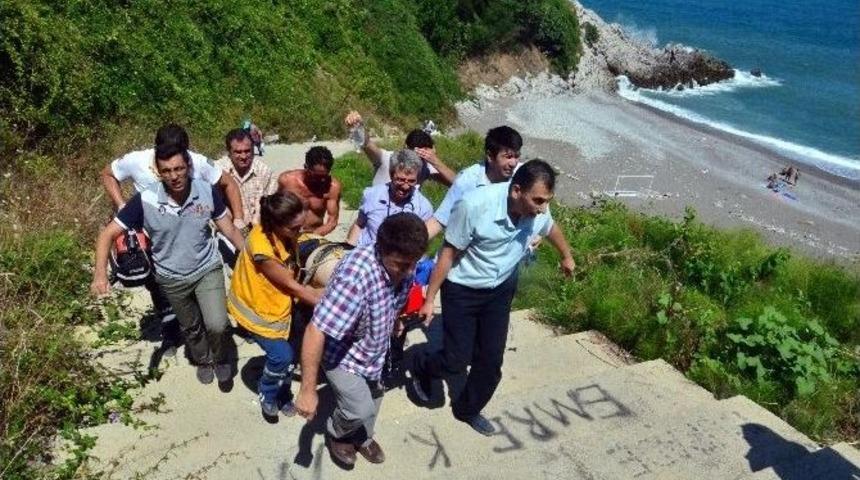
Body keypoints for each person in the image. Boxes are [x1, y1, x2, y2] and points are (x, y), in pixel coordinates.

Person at [410, 160, 576, 436]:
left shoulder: (537, 212)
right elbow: (448, 253)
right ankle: (424, 366)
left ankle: (467, 409)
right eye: (538, 200)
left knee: (490, 362)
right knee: (456, 359)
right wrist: (429, 299)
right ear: (516, 191)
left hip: (500, 289)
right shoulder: (475, 205)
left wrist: (567, 256)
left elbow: (551, 227)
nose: (543, 208)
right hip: (463, 288)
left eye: (547, 201)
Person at [91, 137, 245, 386]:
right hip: (171, 277)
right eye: (167, 171)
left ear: (188, 166)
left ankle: (221, 357)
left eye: (179, 168)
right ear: (158, 172)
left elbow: (230, 231)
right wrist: (99, 274)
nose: (174, 176)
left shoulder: (206, 191)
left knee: (217, 324)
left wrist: (252, 258)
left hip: (206, 269)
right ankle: (204, 359)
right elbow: (107, 234)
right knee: (192, 327)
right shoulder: (145, 200)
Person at [295, 212, 429, 467]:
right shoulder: (355, 278)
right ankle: (338, 434)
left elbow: (393, 297)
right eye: (401, 265)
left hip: (374, 351)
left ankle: (361, 436)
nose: (409, 271)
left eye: (413, 263)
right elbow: (316, 330)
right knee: (359, 409)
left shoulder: (403, 265)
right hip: (343, 357)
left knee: (374, 402)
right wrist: (307, 390)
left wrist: (395, 320)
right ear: (381, 250)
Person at [227, 192, 323, 419]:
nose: (300, 232)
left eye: (302, 225)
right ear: (276, 224)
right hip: (259, 312)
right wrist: (328, 301)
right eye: (295, 228)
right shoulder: (262, 248)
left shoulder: (285, 233)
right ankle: (267, 392)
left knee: (294, 352)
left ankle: (283, 393)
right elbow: (293, 286)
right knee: (282, 356)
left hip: (280, 306)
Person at [425, 126, 524, 240]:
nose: (513, 163)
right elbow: (440, 220)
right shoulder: (468, 180)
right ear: (490, 156)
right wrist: (407, 249)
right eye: (508, 157)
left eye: (517, 156)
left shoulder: (523, 176)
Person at [346, 149, 434, 247]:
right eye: (400, 180)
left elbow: (421, 245)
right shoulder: (371, 195)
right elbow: (359, 224)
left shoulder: (423, 208)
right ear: (391, 175)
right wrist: (349, 249)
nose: (405, 186)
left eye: (411, 181)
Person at [344, 111, 455, 187]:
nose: (415, 163)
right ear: (405, 148)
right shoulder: (386, 159)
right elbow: (367, 143)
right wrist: (358, 126)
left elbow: (456, 184)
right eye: (414, 156)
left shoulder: (424, 166)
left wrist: (435, 161)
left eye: (422, 158)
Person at [216, 128, 277, 229]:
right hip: (228, 229)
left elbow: (272, 205)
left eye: (247, 151)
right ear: (229, 152)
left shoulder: (264, 171)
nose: (243, 156)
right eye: (238, 152)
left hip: (259, 227)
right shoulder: (217, 171)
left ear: (253, 149)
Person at [277, 146, 342, 236]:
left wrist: (311, 236)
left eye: (324, 176)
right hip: (285, 234)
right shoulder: (287, 180)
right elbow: (274, 209)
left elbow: (332, 221)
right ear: (306, 167)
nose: (321, 180)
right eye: (315, 176)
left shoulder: (333, 187)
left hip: (313, 234)